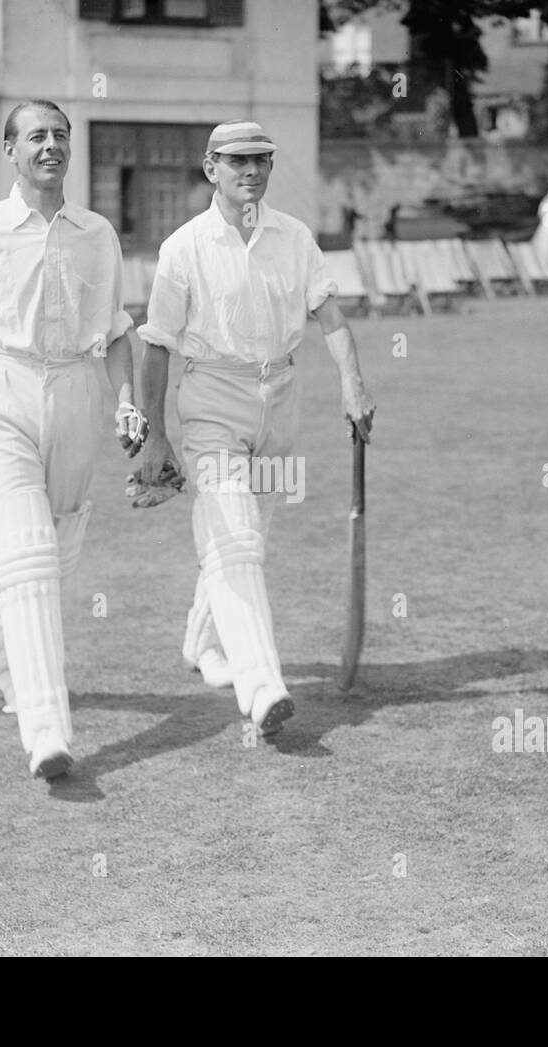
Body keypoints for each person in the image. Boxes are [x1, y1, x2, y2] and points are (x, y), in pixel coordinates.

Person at [0, 99, 147, 781]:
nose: (51, 146)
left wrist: (127, 400)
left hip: (76, 397)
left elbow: (116, 332)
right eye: (36, 136)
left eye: (61, 136)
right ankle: (48, 731)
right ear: (11, 153)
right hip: (4, 397)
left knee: (57, 554)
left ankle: (3, 657)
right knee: (26, 554)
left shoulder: (97, 234)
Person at [136, 120, 376, 738]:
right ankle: (263, 685)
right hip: (212, 396)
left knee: (246, 538)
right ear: (210, 167)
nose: (251, 172)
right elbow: (157, 347)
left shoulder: (294, 238)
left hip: (280, 397)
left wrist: (352, 383)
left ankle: (200, 644)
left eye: (261, 161)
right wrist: (155, 437)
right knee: (236, 538)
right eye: (237, 161)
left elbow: (332, 318)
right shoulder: (183, 248)